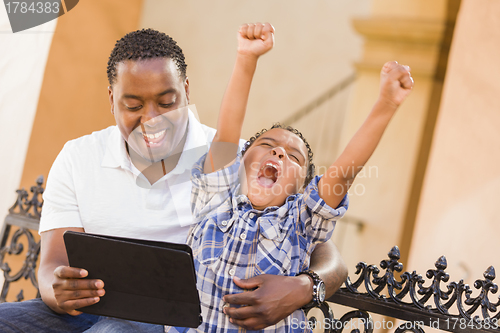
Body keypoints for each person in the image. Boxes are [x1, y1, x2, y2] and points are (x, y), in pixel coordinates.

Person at [0, 28, 347, 332]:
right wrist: (56, 289)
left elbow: (325, 251)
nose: (152, 119)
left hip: (178, 323)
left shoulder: (235, 162)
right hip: (88, 312)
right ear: (111, 99)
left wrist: (305, 287)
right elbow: (51, 264)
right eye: (133, 105)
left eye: (166, 103)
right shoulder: (78, 157)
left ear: (185, 91)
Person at [168, 23, 414, 332]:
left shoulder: (301, 220)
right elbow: (228, 129)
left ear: (301, 189)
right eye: (267, 146)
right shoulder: (216, 195)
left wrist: (386, 104)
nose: (279, 153)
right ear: (240, 161)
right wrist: (247, 58)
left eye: (293, 157)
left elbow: (345, 170)